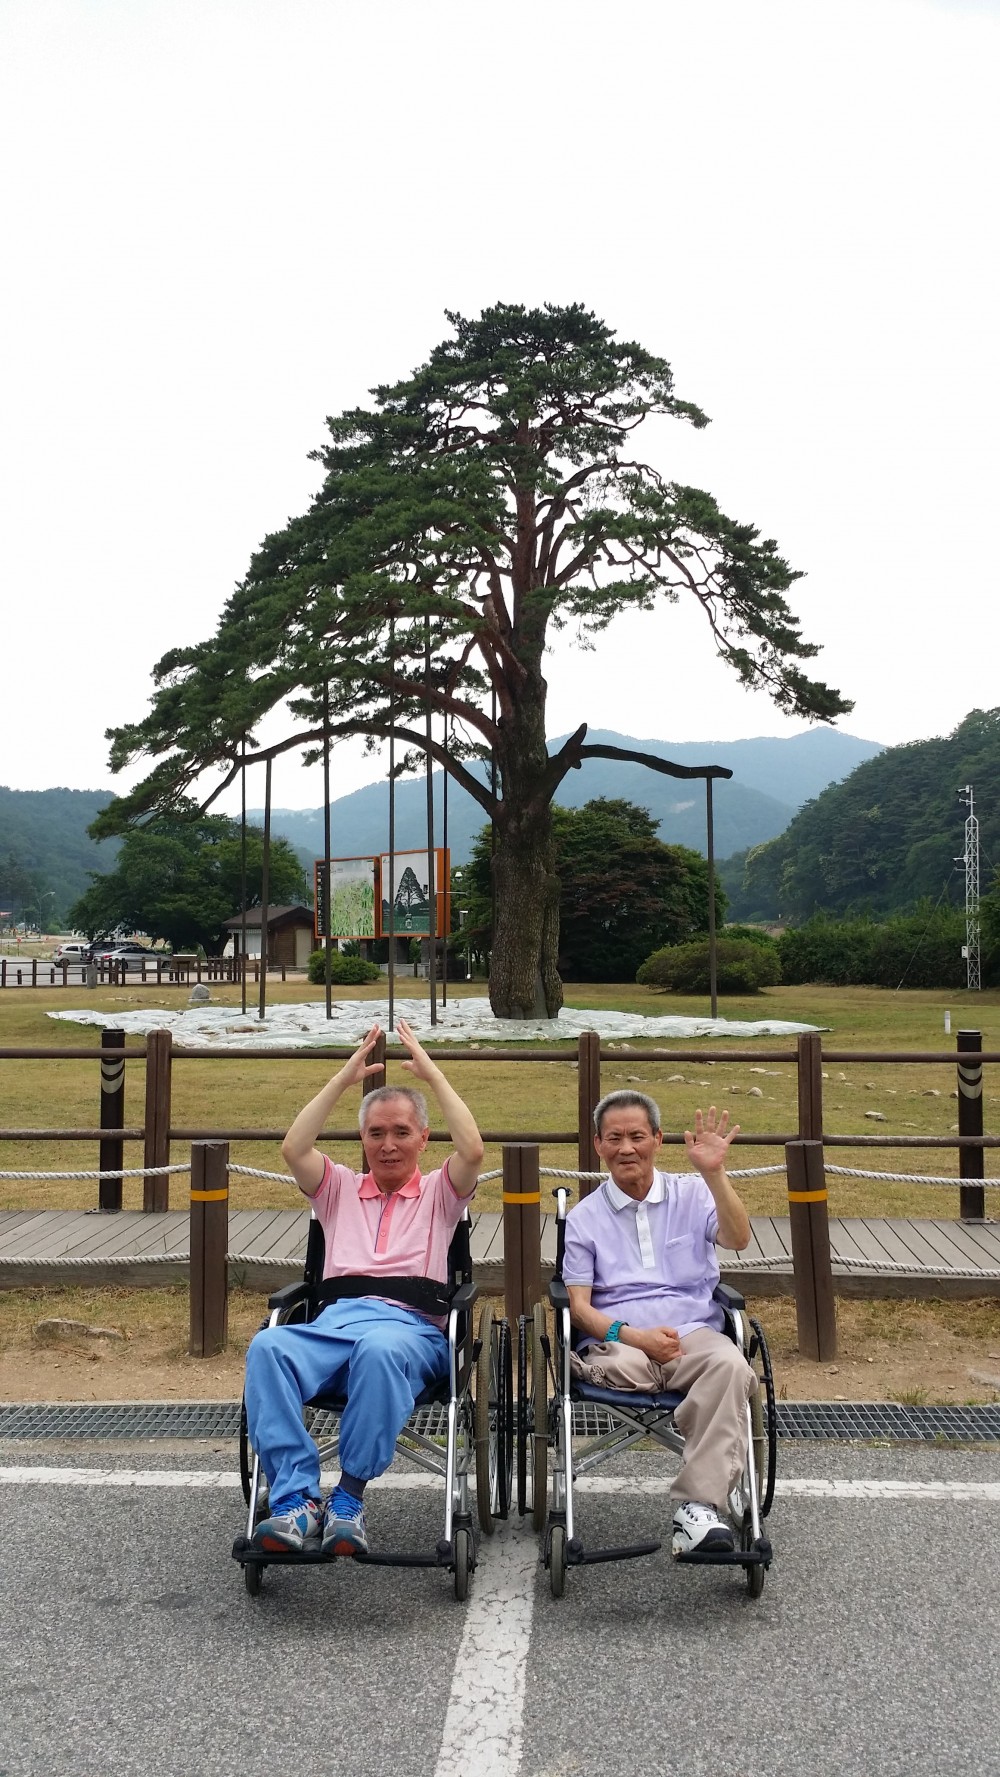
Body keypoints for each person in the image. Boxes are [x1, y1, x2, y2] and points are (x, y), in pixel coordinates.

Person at [244, 1017, 484, 1559]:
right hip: (334, 1329)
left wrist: (433, 1075)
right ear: (363, 1139)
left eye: (401, 1132)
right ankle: (296, 1500)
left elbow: (472, 1150)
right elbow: (294, 1148)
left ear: (423, 1138)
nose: (388, 1144)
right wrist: (343, 1079)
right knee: (268, 1346)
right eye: (376, 1133)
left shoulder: (441, 1194)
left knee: (379, 1349)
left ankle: (349, 1497)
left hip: (410, 1334)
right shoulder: (338, 1189)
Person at [562, 1088, 755, 1556]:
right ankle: (687, 1409)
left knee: (731, 1366)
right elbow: (580, 1309)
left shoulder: (694, 1193)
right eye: (614, 1138)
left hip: (693, 1335)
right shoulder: (584, 1218)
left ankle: (698, 1508)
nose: (626, 1148)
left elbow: (738, 1238)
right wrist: (635, 1337)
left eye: (637, 1136)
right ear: (598, 1145)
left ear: (658, 1140)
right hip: (621, 1345)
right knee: (615, 1362)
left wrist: (715, 1174)